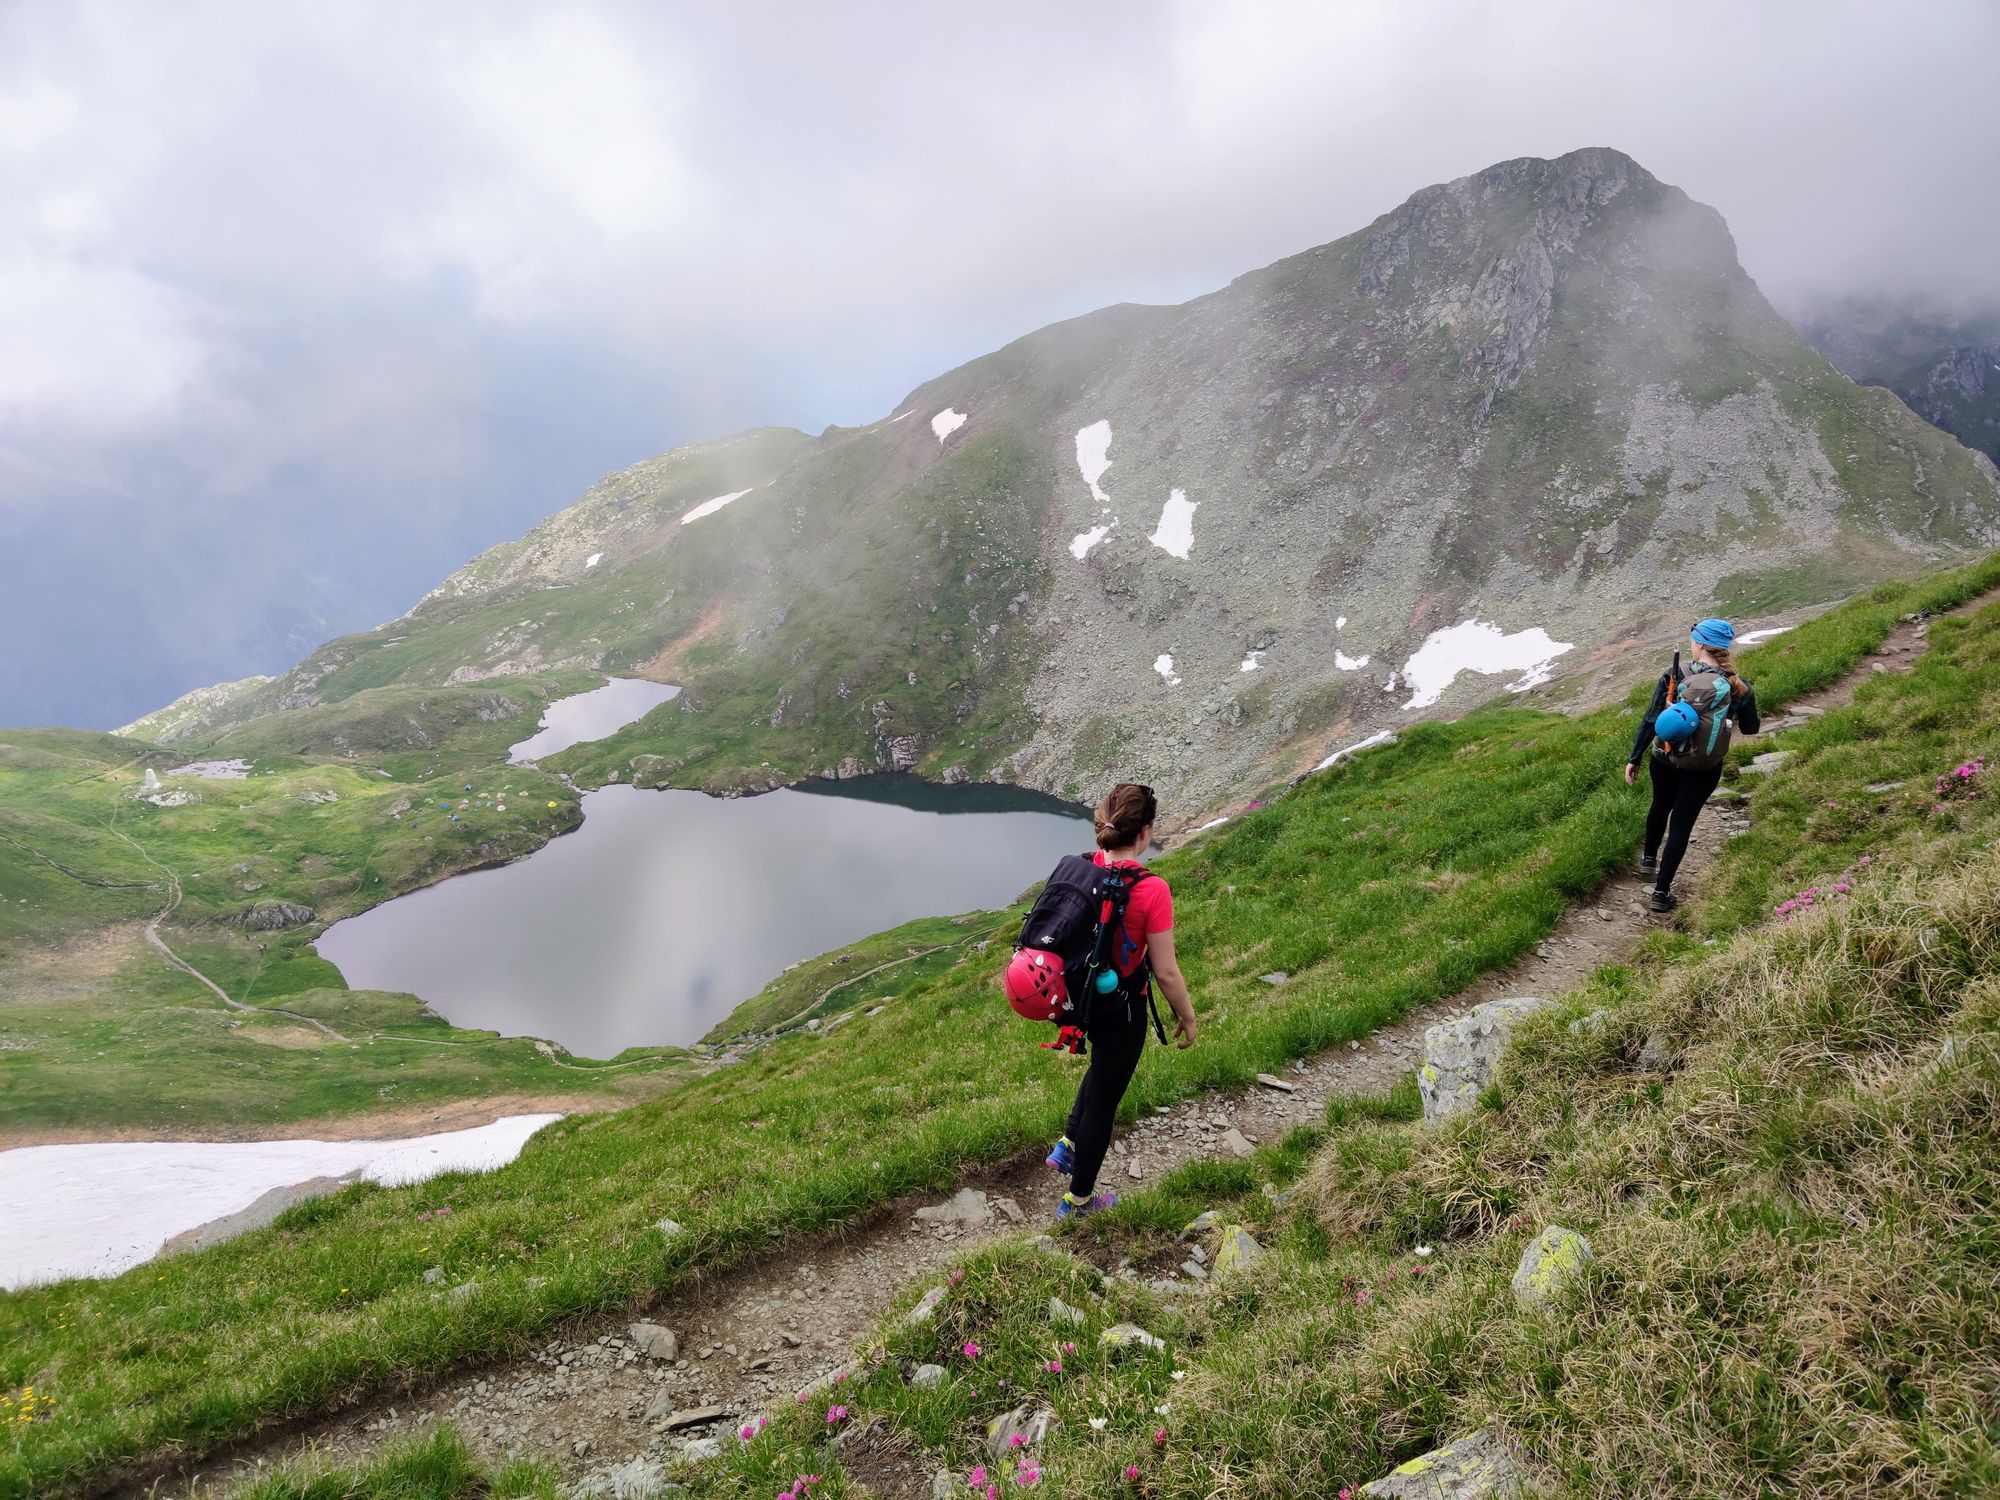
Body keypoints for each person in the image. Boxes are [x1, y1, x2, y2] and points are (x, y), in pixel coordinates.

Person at [1044, 783, 1197, 1220]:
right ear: (1145, 833)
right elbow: (1166, 971)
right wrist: (1186, 1016)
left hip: (1080, 999)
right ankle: (1078, 1202)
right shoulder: (1153, 890)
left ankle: (1068, 1145)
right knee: (1106, 1100)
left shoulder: (1086, 866)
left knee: (1100, 1069)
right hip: (1122, 1008)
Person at [1624, 617, 1761, 912]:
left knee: (1660, 805)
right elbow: (1751, 729)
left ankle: (1648, 859)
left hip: (1664, 758)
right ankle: (1661, 894)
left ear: (1699, 643)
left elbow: (1651, 721)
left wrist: (1634, 758)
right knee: (1682, 825)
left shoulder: (1674, 675)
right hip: (1704, 768)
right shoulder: (1738, 686)